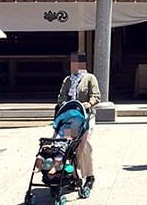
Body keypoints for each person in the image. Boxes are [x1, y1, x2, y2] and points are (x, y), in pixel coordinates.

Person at [57, 52, 101, 192]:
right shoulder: (67, 80)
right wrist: (64, 103)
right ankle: (74, 176)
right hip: (70, 117)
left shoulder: (89, 78)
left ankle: (89, 175)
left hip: (86, 116)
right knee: (68, 146)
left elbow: (96, 96)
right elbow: (61, 96)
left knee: (83, 146)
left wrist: (89, 103)